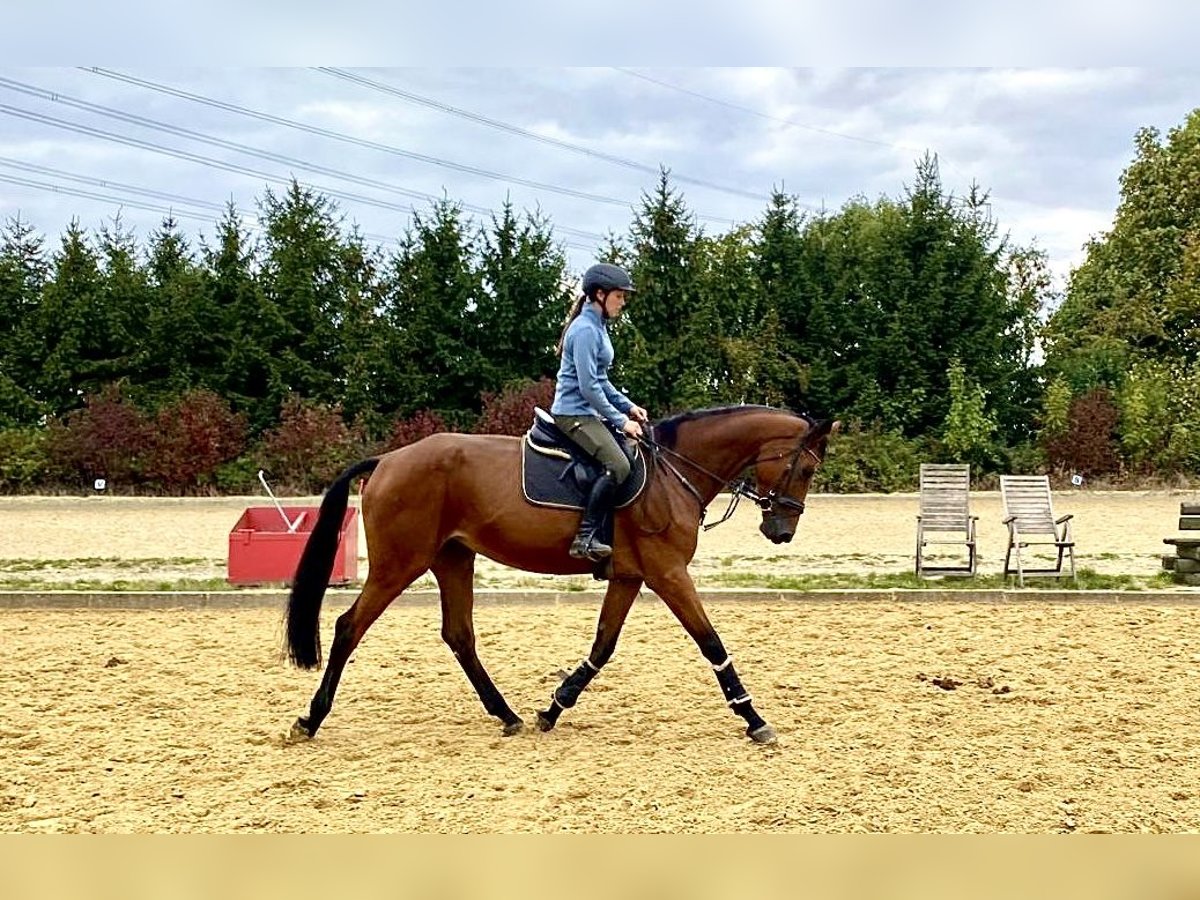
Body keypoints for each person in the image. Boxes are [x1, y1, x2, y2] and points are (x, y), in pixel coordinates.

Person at [551, 262, 650, 561]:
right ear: (599, 294)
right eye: (619, 296)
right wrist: (621, 422)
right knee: (619, 465)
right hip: (572, 414)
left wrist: (628, 407)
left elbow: (601, 381)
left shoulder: (598, 327)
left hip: (587, 411)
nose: (623, 302)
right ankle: (585, 538)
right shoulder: (584, 330)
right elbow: (588, 388)